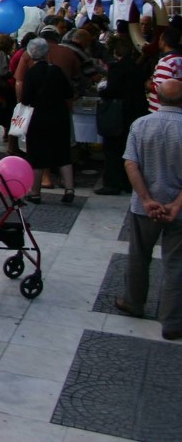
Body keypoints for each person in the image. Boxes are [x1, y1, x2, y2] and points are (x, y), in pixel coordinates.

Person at [118, 78, 182, 340]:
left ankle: (134, 302)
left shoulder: (141, 124)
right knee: (176, 264)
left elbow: (131, 164)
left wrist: (146, 199)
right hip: (178, 209)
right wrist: (176, 205)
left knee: (138, 255)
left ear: (157, 96)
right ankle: (173, 321)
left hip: (145, 206)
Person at [20, 37, 76, 204]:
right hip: (59, 116)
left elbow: (25, 99)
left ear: (30, 54)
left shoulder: (31, 73)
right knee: (63, 153)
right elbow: (69, 93)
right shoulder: (57, 71)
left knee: (37, 155)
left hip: (38, 117)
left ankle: (35, 191)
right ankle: (69, 188)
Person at [96, 35, 151, 195]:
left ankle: (113, 183)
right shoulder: (135, 66)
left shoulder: (117, 68)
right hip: (136, 111)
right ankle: (127, 182)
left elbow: (112, 90)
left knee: (113, 149)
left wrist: (103, 91)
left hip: (119, 113)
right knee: (130, 148)